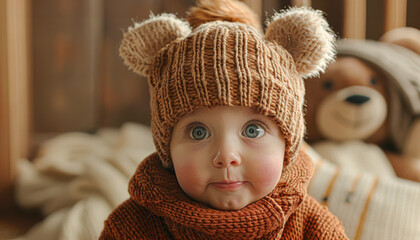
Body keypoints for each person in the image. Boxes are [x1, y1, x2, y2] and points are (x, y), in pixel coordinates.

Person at [99, 0, 348, 239]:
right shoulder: (131, 227)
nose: (226, 156)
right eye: (198, 132)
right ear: (167, 149)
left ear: (287, 146)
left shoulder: (312, 225)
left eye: (253, 130)